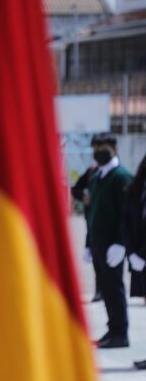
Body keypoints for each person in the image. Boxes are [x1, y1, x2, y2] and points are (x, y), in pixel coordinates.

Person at [86, 133, 134, 348]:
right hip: (98, 242)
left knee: (114, 287)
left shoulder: (121, 176)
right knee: (105, 288)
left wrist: (121, 243)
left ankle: (120, 333)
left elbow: (127, 213)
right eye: (95, 148)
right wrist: (88, 242)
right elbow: (93, 212)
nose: (98, 152)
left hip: (113, 245)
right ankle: (112, 329)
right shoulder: (97, 177)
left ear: (114, 148)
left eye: (102, 147)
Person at [72, 136, 104, 302]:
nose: (95, 153)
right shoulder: (92, 172)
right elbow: (75, 189)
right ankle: (100, 290)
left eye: (98, 148)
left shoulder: (116, 171)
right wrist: (83, 196)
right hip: (92, 221)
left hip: (109, 223)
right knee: (96, 257)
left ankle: (108, 290)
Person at [123, 155, 146, 368]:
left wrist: (142, 254)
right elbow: (127, 222)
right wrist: (132, 253)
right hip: (139, 258)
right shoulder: (136, 190)